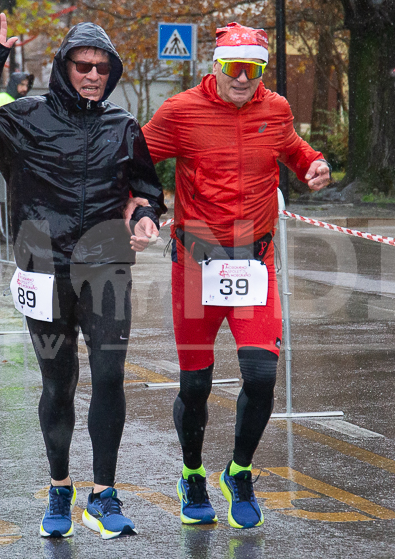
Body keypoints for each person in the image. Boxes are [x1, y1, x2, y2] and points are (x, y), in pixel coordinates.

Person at [0, 10, 166, 540]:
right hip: (43, 271)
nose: (92, 75)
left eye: (101, 67)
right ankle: (60, 486)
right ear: (64, 68)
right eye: (82, 66)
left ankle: (104, 495)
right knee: (58, 382)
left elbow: (147, 189)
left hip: (107, 268)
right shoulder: (26, 118)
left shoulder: (122, 127)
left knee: (109, 376)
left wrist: (145, 216)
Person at [140, 22, 331, 529]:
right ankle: (192, 474)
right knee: (196, 385)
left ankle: (239, 472)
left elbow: (293, 148)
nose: (243, 77)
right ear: (216, 66)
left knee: (262, 376)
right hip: (196, 264)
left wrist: (313, 163)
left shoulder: (276, 108)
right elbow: (135, 159)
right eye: (233, 67)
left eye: (253, 68)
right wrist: (141, 205)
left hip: (254, 262)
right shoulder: (181, 111)